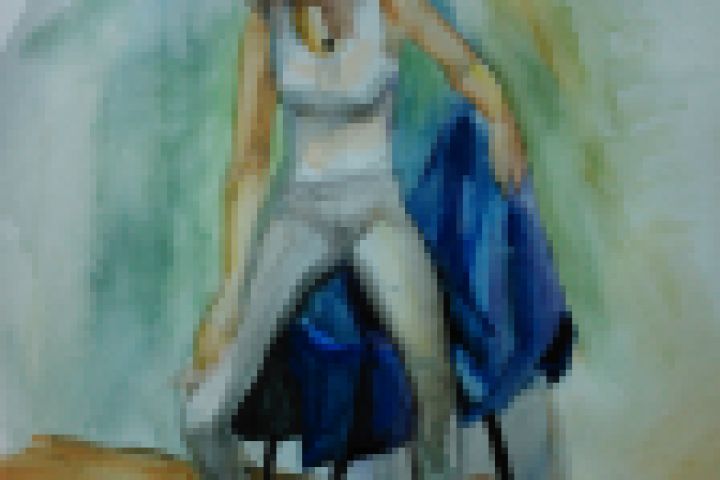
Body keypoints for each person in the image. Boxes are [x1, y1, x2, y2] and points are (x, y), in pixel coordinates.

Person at [180, 0, 527, 478]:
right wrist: (229, 294)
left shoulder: (390, 8)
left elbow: (464, 66)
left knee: (434, 382)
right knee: (201, 419)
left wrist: (501, 117)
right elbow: (249, 162)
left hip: (377, 215)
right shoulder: (267, 24)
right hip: (299, 218)